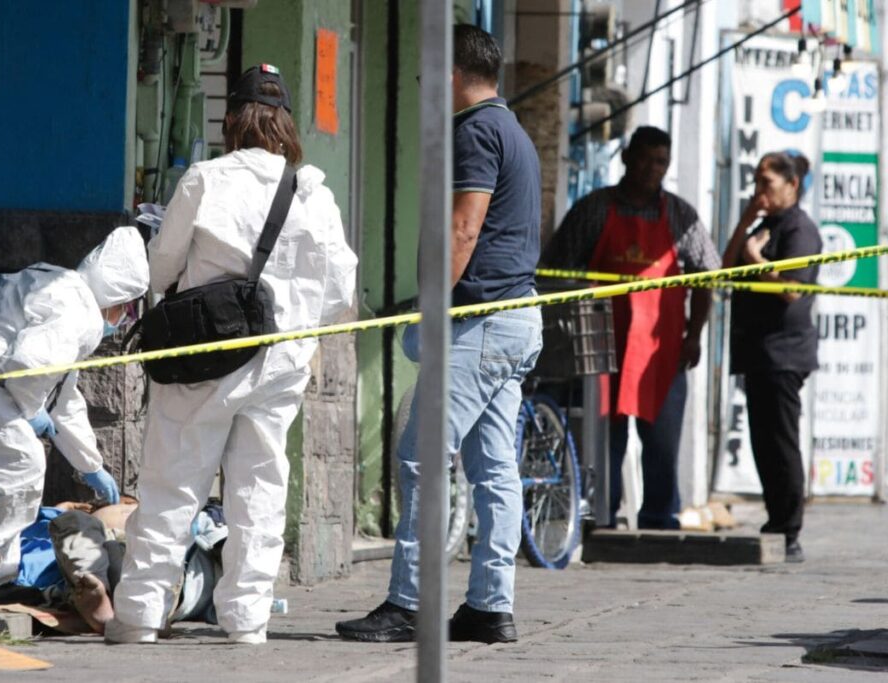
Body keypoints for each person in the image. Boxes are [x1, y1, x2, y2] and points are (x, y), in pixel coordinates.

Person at [105, 64, 357, 645]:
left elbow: (161, 268)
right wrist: (293, 324)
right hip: (281, 365)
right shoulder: (313, 193)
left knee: (173, 486)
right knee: (260, 491)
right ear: (286, 123)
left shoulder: (205, 178)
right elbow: (341, 290)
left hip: (203, 359)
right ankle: (247, 620)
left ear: (233, 119)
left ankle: (141, 616)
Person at [336, 24, 542, 645]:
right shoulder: (513, 129)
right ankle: (489, 607)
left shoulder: (476, 131)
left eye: (429, 76)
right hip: (514, 319)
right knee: (494, 468)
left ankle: (409, 603)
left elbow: (463, 229)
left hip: (480, 322)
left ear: (452, 73)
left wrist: (432, 307)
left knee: (420, 455)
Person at [543, 126, 720, 530]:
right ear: (626, 157)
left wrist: (695, 335)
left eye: (660, 161)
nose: (650, 168)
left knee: (662, 443)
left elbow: (708, 275)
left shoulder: (680, 216)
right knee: (606, 440)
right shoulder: (593, 209)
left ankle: (659, 519)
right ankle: (601, 516)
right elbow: (559, 271)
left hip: (663, 353)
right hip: (602, 346)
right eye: (644, 157)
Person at [0, 226, 150, 586]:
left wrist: (92, 467)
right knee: (21, 466)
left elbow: (65, 400)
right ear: (118, 299)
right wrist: (30, 410)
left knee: (6, 475)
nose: (124, 320)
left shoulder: (66, 290)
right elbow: (30, 362)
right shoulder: (81, 312)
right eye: (128, 311)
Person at [722, 151, 821, 563]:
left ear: (791, 185)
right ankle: (775, 520)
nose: (760, 191)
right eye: (757, 182)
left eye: (768, 183)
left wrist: (757, 260)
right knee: (763, 442)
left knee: (781, 442)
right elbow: (724, 268)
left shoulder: (800, 230)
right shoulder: (763, 225)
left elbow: (792, 289)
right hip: (758, 351)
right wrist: (746, 221)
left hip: (784, 352)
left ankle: (788, 528)